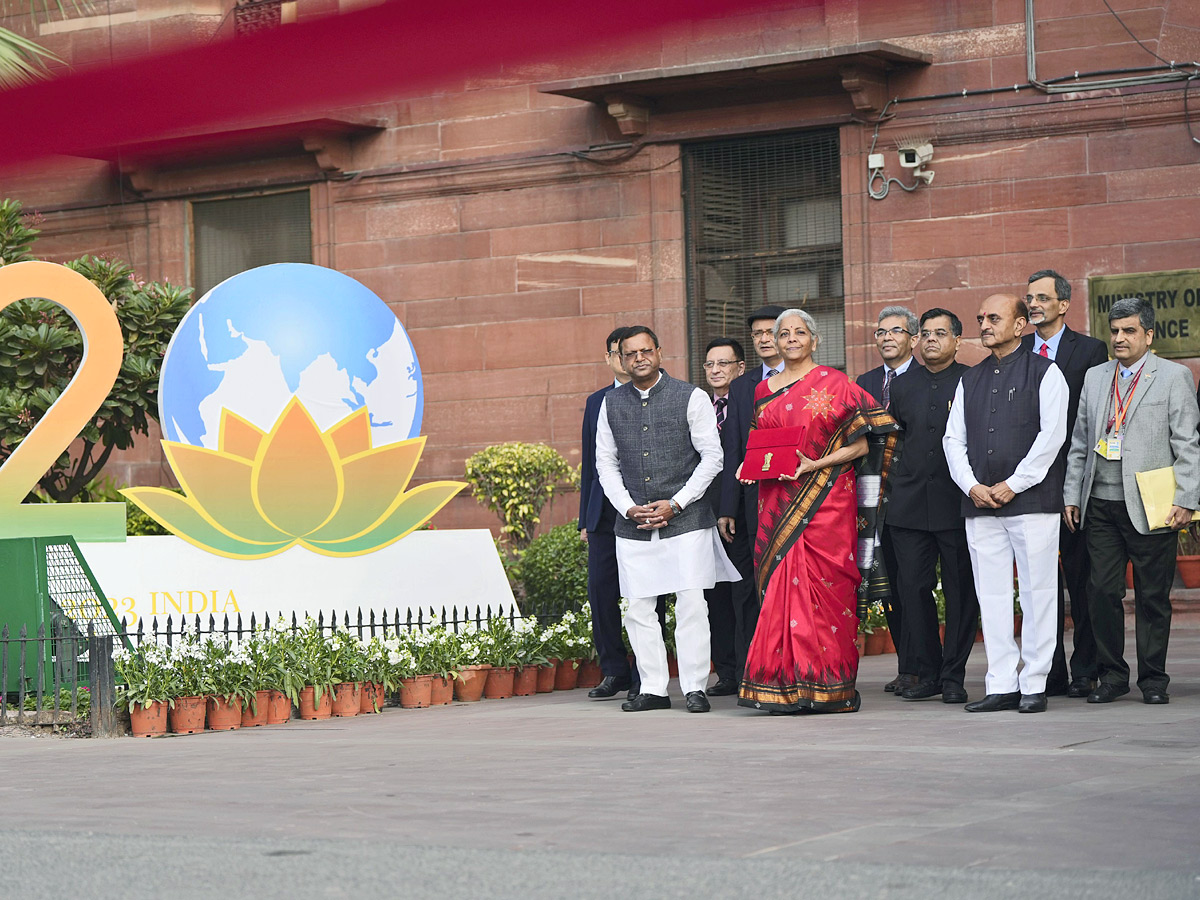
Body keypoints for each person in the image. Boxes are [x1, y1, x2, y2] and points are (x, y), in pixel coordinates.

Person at [737, 309, 899, 714]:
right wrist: (747, 464)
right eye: (784, 333)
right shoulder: (764, 390)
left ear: (814, 339)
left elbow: (864, 446)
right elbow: (763, 443)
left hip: (827, 502)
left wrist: (814, 465)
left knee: (829, 589)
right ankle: (782, 687)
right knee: (780, 589)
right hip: (777, 501)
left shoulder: (837, 383)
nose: (791, 338)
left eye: (799, 332)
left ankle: (828, 687)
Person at [595, 326, 740, 713]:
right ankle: (655, 689)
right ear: (621, 360)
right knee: (639, 608)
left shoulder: (691, 397)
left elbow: (713, 457)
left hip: (687, 519)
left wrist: (676, 503)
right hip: (633, 524)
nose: (639, 358)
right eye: (631, 353)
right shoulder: (610, 404)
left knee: (691, 603)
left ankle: (695, 687)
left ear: (659, 352)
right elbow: (605, 463)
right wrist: (627, 506)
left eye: (646, 351)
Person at [1063, 297, 1200, 705]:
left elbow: (1188, 443)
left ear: (1149, 335)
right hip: (1100, 502)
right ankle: (1112, 676)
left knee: (1153, 596)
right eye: (1115, 331)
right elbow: (1081, 444)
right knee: (1101, 591)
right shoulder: (1095, 377)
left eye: (1129, 331)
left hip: (1152, 503)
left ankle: (1154, 679)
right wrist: (1072, 494)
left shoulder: (1174, 377)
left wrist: (1186, 498)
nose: (1120, 339)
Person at [944, 293, 1068, 714]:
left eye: (994, 317)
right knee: (991, 595)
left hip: (1032, 502)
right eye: (981, 318)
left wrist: (1015, 483)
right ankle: (1001, 683)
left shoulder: (1046, 372)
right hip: (979, 502)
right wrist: (971, 485)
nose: (985, 323)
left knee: (1038, 593)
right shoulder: (970, 378)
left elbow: (1052, 437)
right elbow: (952, 440)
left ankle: (1034, 682)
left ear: (1020, 326)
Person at [1021, 269, 1109, 698]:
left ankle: (1086, 669)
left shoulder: (1091, 351)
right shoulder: (1017, 351)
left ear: (1063, 304)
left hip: (1073, 480)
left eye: (1041, 297)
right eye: (1029, 297)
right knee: (1039, 583)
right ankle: (1048, 671)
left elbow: (1094, 418)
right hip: (1028, 482)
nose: (1033, 304)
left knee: (1082, 578)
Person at [887, 309, 979, 704]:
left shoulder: (971, 381)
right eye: (924, 334)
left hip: (956, 504)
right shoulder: (904, 385)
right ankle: (926, 671)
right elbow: (894, 439)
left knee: (960, 592)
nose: (930, 340)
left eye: (940, 333)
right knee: (912, 589)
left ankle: (953, 674)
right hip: (908, 505)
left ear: (958, 341)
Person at [715, 304, 785, 696]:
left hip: (795, 498)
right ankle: (749, 673)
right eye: (756, 333)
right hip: (749, 504)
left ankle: (787, 667)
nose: (763, 338)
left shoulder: (810, 379)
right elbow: (733, 450)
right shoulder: (742, 387)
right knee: (746, 591)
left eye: (769, 331)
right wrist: (727, 508)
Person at [856, 305, 919, 694]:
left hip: (912, 493)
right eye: (881, 332)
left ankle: (922, 664)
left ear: (912, 337)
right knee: (889, 584)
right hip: (871, 496)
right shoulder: (864, 380)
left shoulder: (925, 375)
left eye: (896, 331)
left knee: (914, 583)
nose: (887, 338)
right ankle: (907, 664)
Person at [578, 326, 636, 700]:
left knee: (648, 594)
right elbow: (589, 462)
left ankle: (649, 672)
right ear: (609, 358)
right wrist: (585, 517)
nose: (625, 359)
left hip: (645, 511)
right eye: (618, 352)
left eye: (631, 352)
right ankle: (614, 671)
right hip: (603, 514)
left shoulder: (659, 396)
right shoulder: (596, 401)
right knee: (601, 592)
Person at [701, 337, 745, 694]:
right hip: (702, 514)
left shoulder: (752, 403)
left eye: (724, 364)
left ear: (740, 368)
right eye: (710, 365)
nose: (716, 370)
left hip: (742, 514)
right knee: (713, 596)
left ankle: (749, 668)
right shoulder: (697, 407)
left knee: (744, 594)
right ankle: (727, 672)